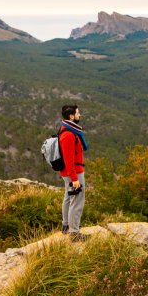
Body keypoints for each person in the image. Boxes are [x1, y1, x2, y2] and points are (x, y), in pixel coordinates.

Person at [58, 104, 89, 242]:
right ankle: (74, 233)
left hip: (70, 172)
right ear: (71, 116)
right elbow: (68, 159)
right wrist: (74, 178)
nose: (79, 115)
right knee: (77, 201)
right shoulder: (69, 134)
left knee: (68, 197)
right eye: (77, 113)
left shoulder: (67, 129)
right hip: (74, 172)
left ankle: (66, 226)